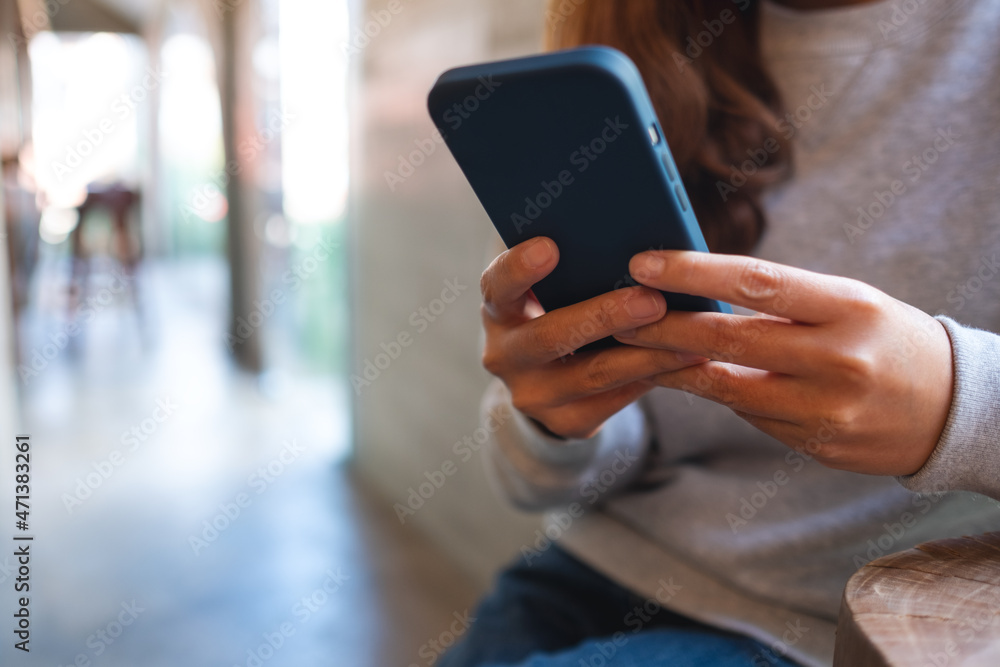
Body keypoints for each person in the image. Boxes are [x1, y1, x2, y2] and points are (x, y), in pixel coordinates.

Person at [439, 0, 1000, 666]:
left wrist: (963, 403)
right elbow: (547, 474)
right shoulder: (638, 37)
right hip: (594, 563)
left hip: (830, 618)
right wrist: (556, 419)